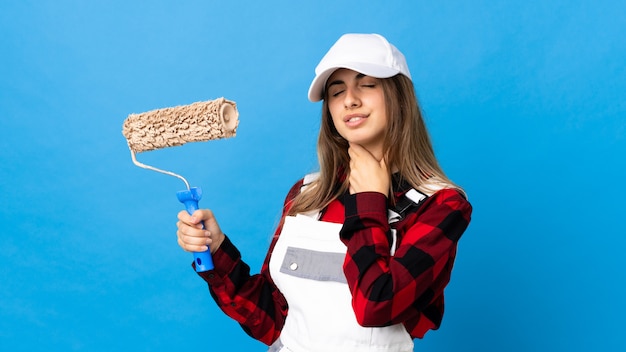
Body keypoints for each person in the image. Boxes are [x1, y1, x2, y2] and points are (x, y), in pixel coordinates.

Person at [176, 33, 472, 352]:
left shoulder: (441, 204)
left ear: (399, 96)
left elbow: (377, 304)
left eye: (367, 84)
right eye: (336, 91)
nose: (350, 100)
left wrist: (369, 199)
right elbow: (273, 320)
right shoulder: (307, 194)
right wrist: (217, 251)